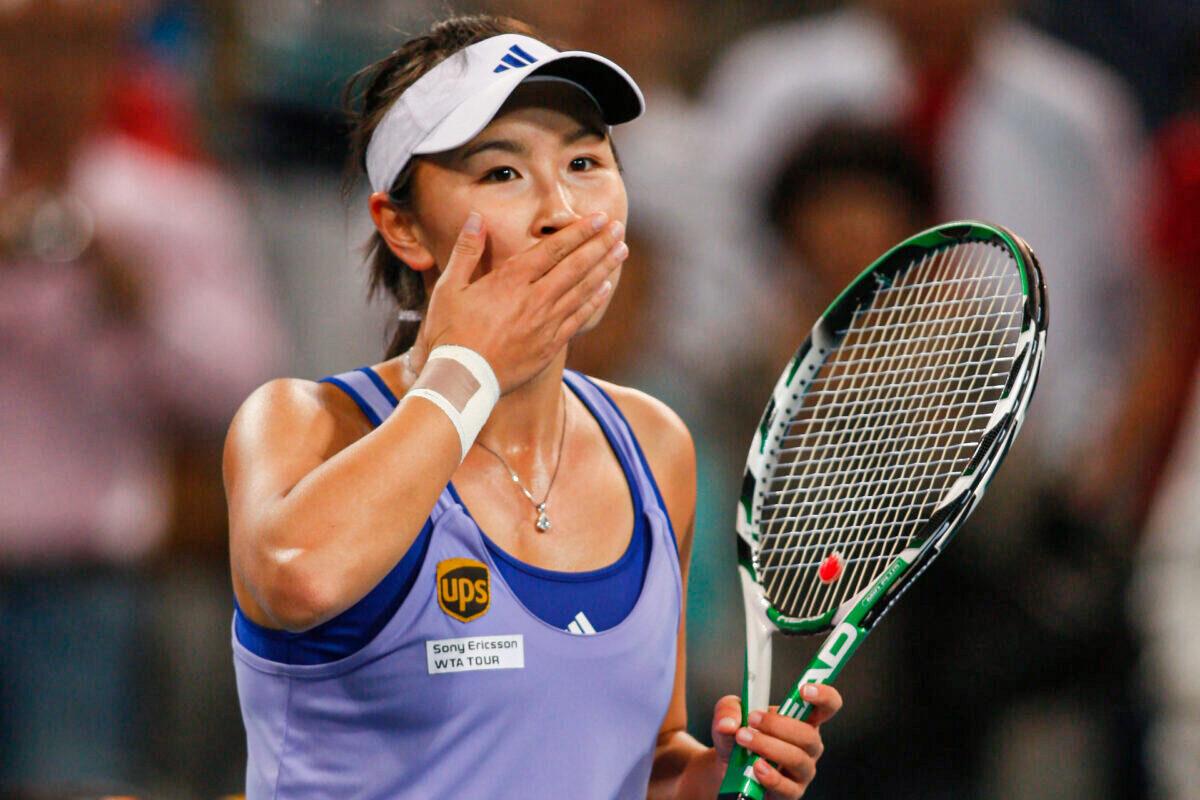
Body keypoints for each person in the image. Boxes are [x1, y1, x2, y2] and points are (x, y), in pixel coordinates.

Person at [223, 15, 842, 799]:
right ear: (404, 228)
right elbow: (298, 578)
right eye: (502, 174)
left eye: (585, 161)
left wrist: (710, 776)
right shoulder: (301, 423)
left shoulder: (654, 445)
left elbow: (645, 760)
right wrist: (470, 366)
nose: (562, 209)